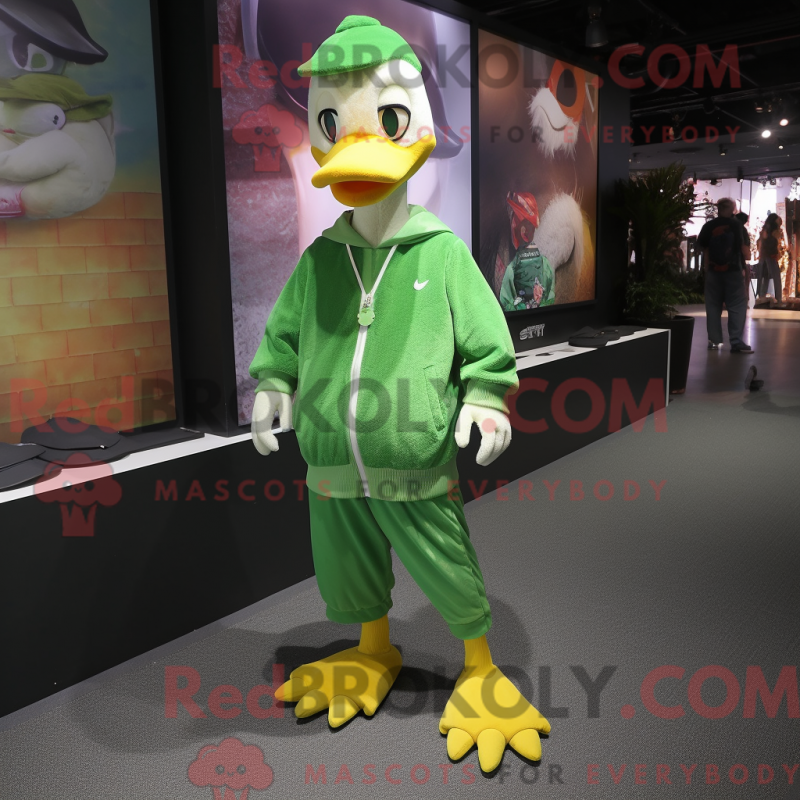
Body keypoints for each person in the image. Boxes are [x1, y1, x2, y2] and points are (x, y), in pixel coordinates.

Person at [697, 197, 753, 353]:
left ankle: (714, 341)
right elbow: (745, 252)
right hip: (733, 272)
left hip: (713, 272)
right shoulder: (737, 226)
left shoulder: (709, 226)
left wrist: (707, 270)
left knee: (713, 305)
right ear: (733, 209)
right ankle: (736, 341)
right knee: (737, 305)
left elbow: (704, 249)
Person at [499, 191, 555, 311]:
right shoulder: (545, 264)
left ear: (522, 231)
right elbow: (550, 298)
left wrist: (523, 308)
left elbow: (506, 301)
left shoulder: (512, 267)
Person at [757, 213, 785, 306]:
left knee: (764, 276)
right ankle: (778, 299)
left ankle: (762, 297)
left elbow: (761, 243)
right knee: (775, 277)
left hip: (764, 256)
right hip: (771, 256)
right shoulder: (772, 231)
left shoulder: (765, 229)